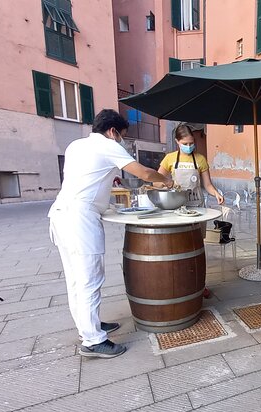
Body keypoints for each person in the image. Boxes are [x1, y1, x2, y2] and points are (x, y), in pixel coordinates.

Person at [49, 109, 174, 359]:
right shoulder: (107, 145)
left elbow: (87, 179)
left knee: (75, 280)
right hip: (80, 220)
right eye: (122, 136)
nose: (122, 142)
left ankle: (89, 326)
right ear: (113, 131)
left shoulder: (77, 145)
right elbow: (145, 174)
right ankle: (93, 341)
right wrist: (167, 181)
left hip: (60, 215)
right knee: (89, 280)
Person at [157, 124, 224, 297]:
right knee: (178, 247)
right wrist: (167, 183)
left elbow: (207, 185)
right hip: (177, 210)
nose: (189, 146)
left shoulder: (200, 159)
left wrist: (216, 193)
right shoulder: (169, 159)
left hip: (197, 208)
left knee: (197, 247)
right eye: (185, 143)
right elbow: (157, 181)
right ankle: (179, 286)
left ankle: (200, 285)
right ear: (177, 142)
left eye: (192, 142)